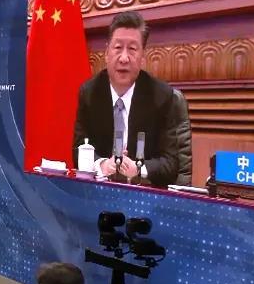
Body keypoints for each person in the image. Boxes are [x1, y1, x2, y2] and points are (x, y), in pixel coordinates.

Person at [71, 11, 180, 187]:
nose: (123, 58)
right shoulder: (90, 93)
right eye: (117, 47)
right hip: (99, 191)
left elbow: (171, 163)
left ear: (142, 57)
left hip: (143, 194)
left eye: (132, 49)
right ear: (107, 53)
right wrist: (102, 164)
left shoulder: (161, 96)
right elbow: (78, 150)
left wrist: (139, 168)